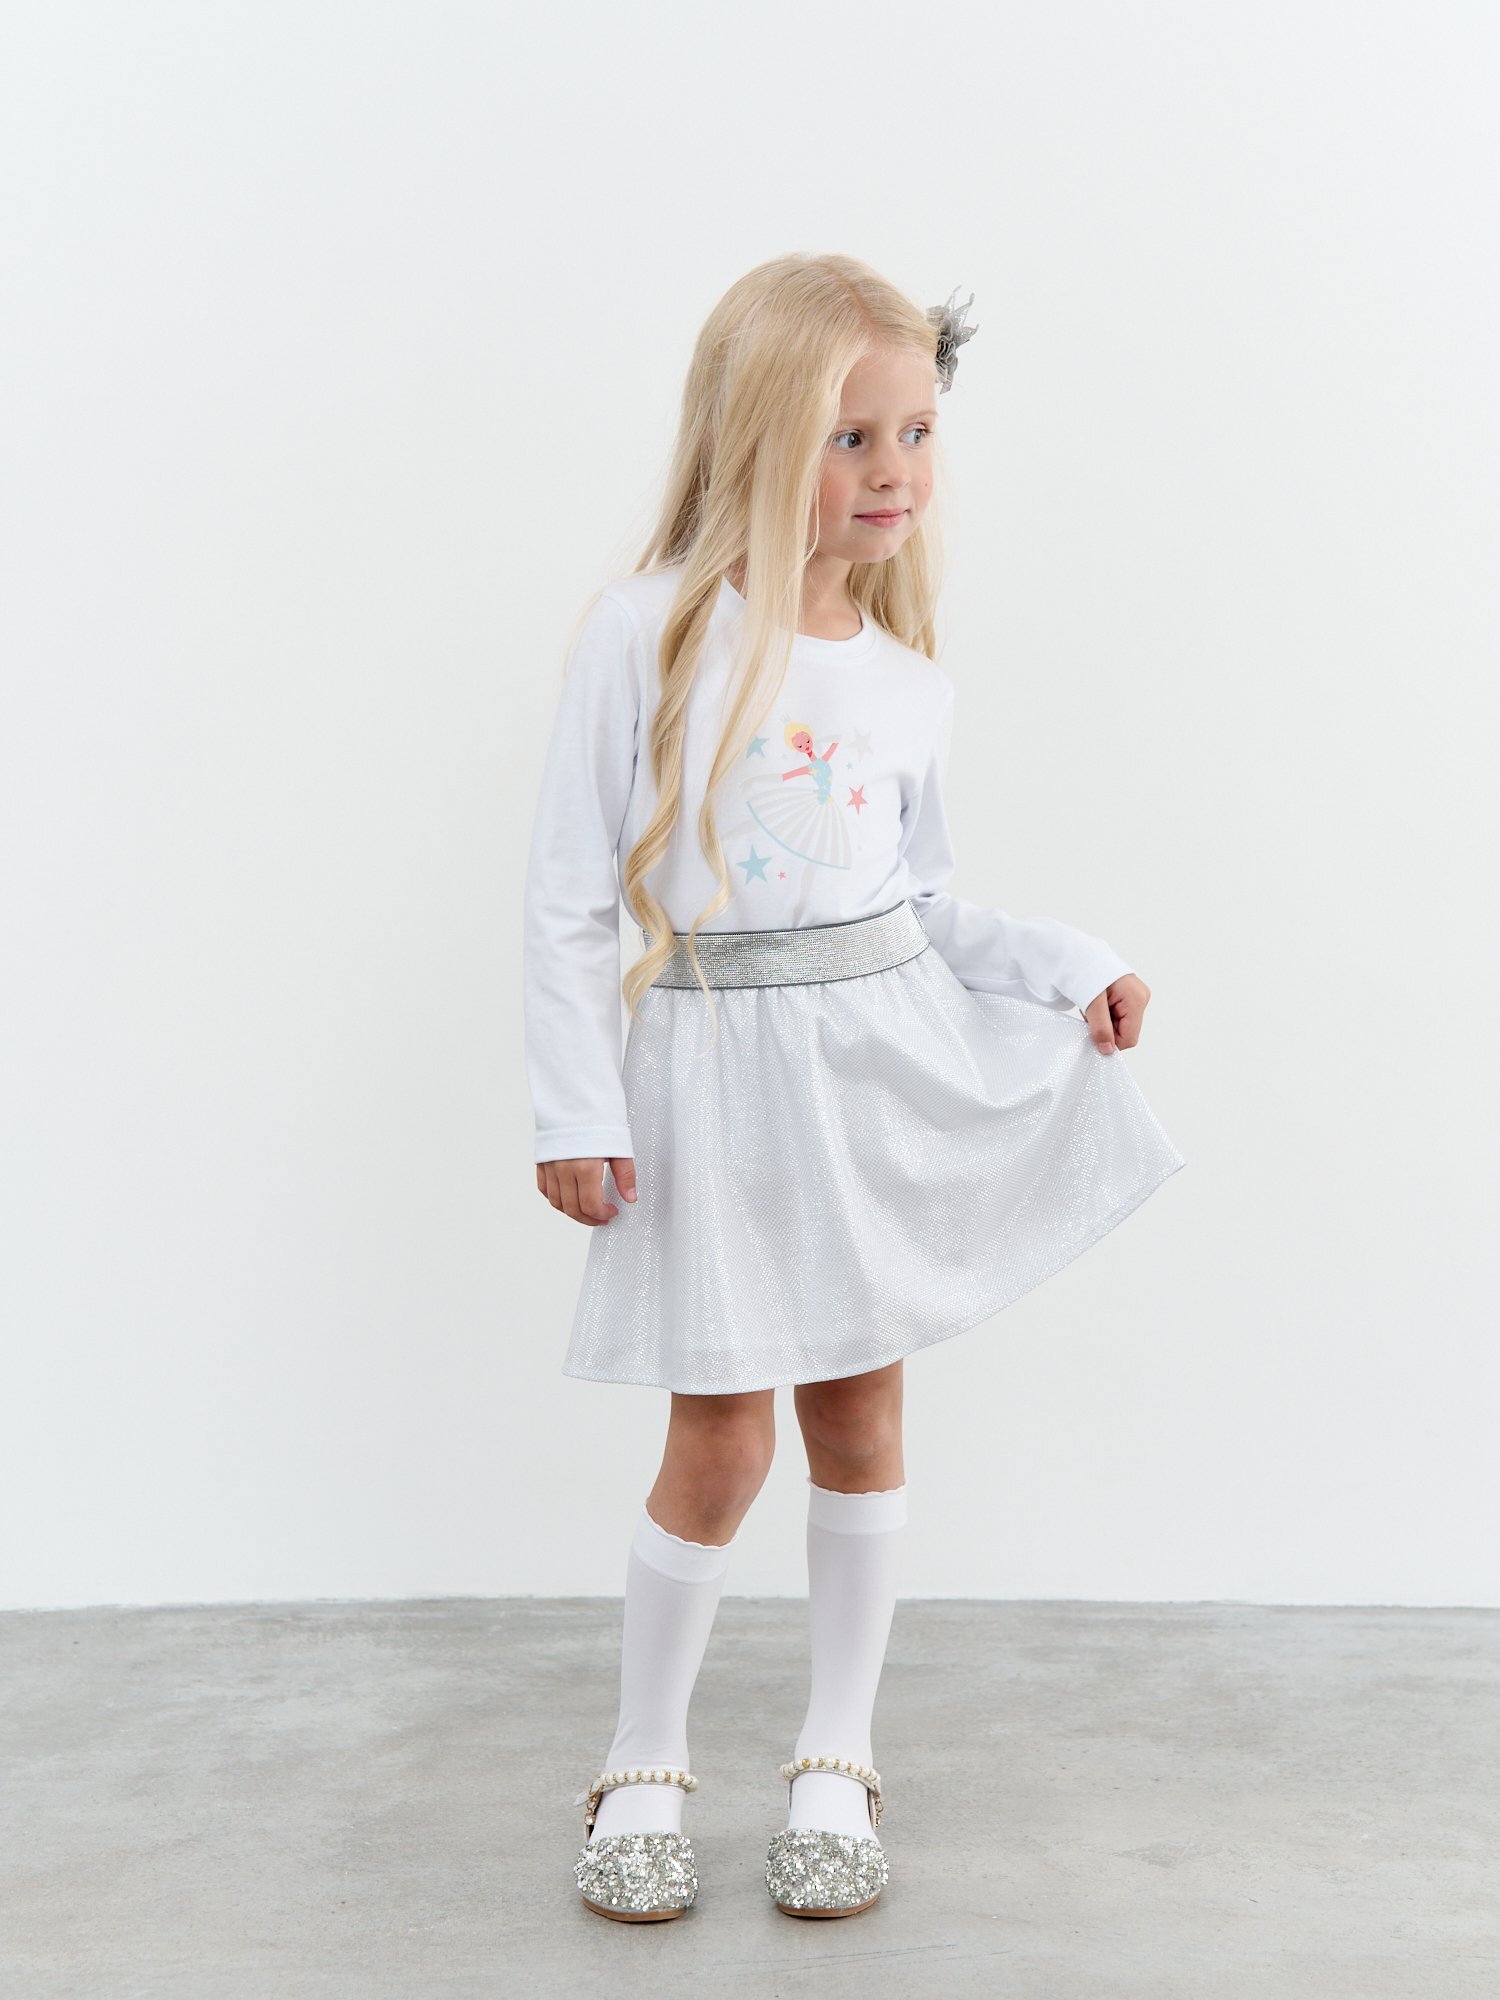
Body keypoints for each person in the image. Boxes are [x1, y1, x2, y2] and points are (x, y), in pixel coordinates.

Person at [521, 254, 1186, 1923]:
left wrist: (1071, 963)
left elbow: (925, 904)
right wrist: (575, 1107)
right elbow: (569, 896)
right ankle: (643, 1756)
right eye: (853, 437)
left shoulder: (904, 682)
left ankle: (837, 1755)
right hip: (708, 1079)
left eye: (918, 433)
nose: (896, 471)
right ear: (758, 437)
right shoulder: (647, 635)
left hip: (874, 1075)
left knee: (861, 1418)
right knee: (720, 1438)